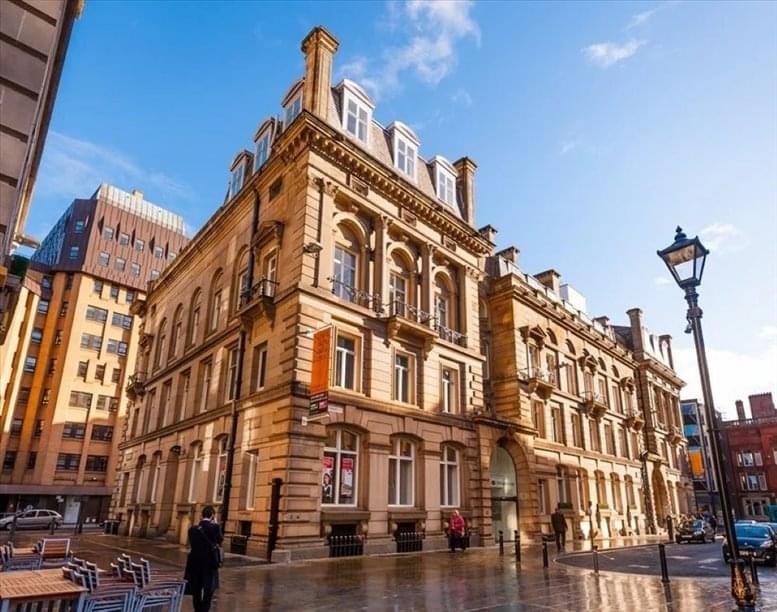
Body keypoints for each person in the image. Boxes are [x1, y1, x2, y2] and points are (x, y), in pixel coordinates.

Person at [185, 505, 223, 612]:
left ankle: (197, 609)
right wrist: (216, 524)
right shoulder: (215, 528)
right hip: (210, 563)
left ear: (201, 516)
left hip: (195, 562)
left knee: (196, 588)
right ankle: (204, 609)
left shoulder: (192, 529)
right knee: (208, 589)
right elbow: (220, 540)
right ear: (212, 516)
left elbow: (192, 543)